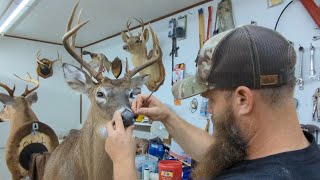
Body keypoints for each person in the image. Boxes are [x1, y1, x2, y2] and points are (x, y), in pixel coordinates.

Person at [104, 25, 320, 179]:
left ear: (243, 99)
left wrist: (123, 161)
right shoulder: (300, 156)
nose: (209, 109)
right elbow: (218, 155)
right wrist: (168, 117)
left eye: (211, 100)